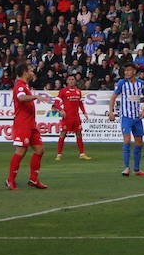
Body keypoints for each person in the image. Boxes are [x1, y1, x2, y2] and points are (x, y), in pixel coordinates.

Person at [6, 63, 53, 191]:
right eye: (31, 70)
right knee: (21, 151)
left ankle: (33, 179)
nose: (33, 72)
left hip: (31, 124)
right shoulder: (19, 86)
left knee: (40, 150)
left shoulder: (25, 86)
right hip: (22, 124)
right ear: (25, 72)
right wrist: (36, 96)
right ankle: (10, 180)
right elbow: (21, 98)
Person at [108, 64, 144, 177]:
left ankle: (137, 169)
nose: (126, 72)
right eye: (125, 70)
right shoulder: (122, 83)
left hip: (137, 117)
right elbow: (113, 97)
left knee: (139, 142)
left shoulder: (141, 83)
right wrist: (111, 112)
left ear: (134, 71)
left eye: (128, 70)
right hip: (125, 116)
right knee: (126, 140)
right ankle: (126, 168)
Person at [53, 75, 91, 161]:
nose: (71, 81)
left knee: (79, 134)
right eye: (69, 79)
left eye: (73, 79)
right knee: (63, 134)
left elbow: (80, 103)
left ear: (75, 81)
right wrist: (61, 110)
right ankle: (59, 154)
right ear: (67, 81)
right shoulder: (63, 91)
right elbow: (56, 103)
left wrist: (84, 112)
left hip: (76, 117)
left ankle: (82, 154)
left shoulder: (78, 91)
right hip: (67, 117)